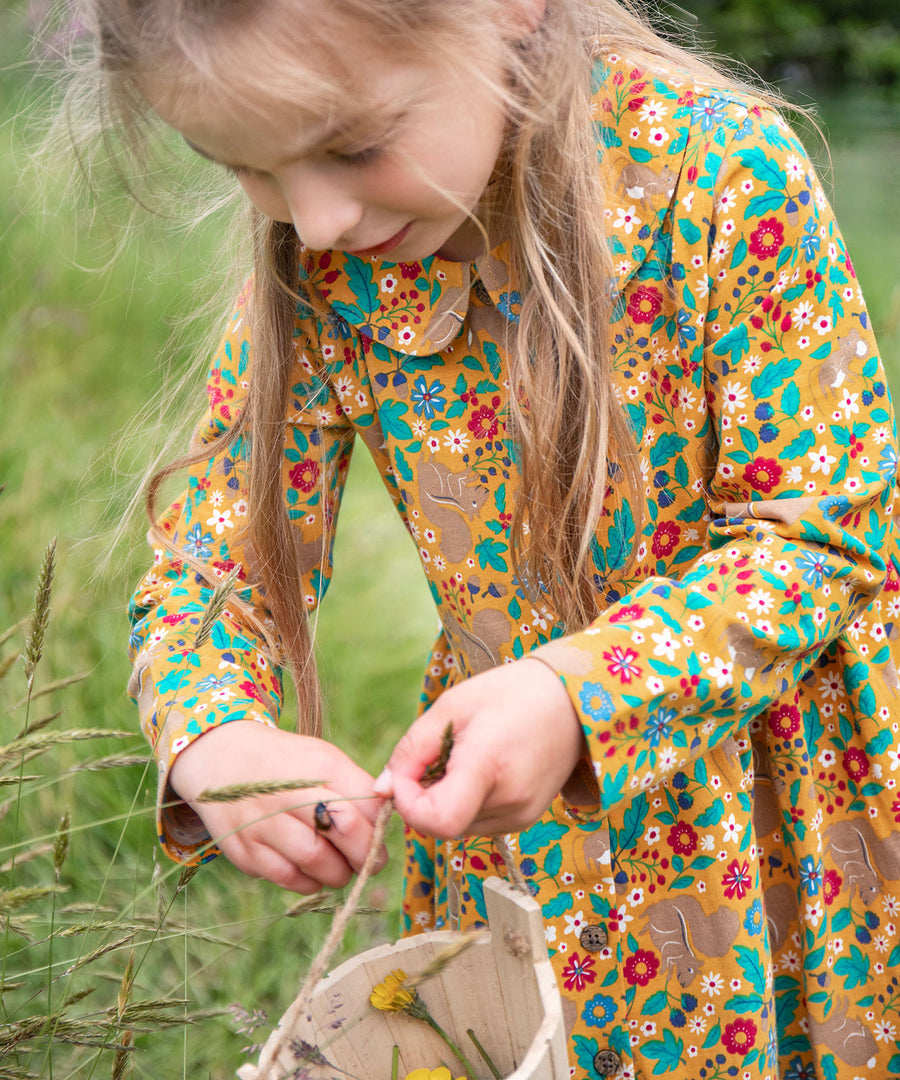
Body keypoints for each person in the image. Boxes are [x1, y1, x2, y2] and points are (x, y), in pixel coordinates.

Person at [91, 0, 900, 1075]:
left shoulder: (715, 172)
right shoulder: (321, 256)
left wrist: (582, 693)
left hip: (777, 824)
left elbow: (831, 532)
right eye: (246, 168)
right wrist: (218, 741)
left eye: (353, 145)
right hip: (526, 855)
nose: (316, 219)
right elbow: (210, 560)